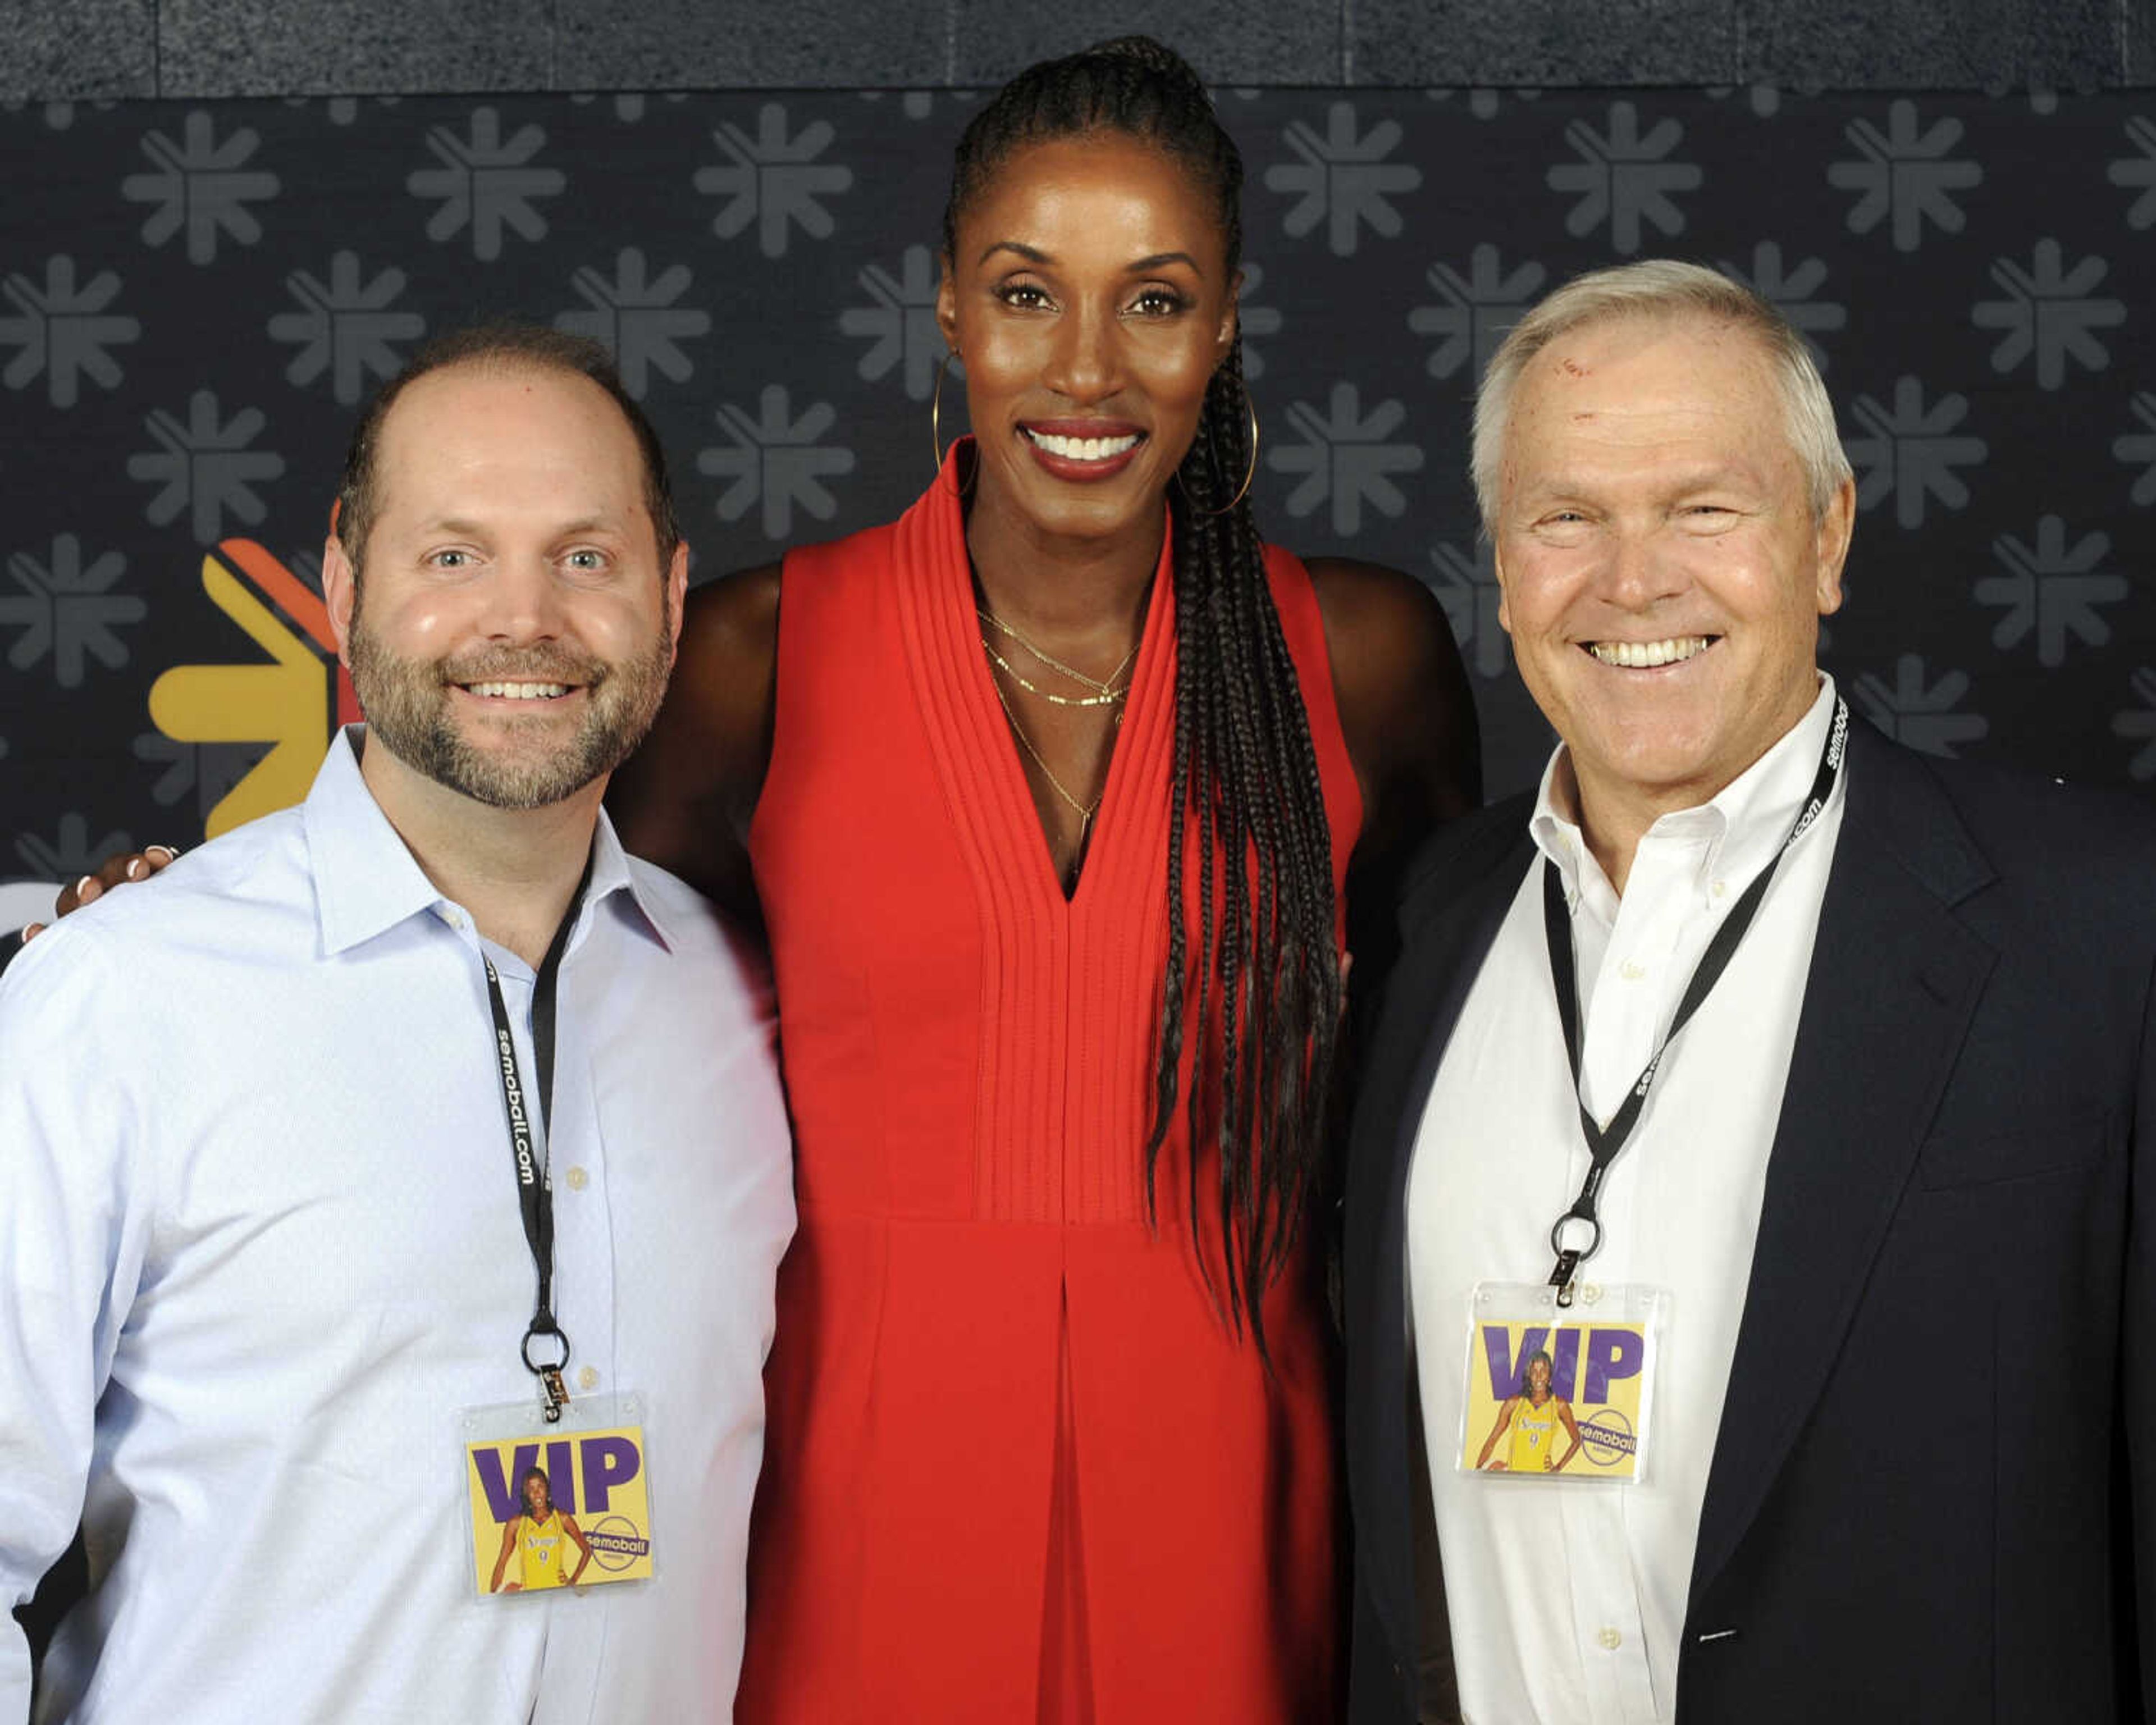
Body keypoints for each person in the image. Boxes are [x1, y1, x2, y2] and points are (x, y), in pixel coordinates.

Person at [607, 37, 1478, 1721]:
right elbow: (552, 985)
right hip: (857, 1482)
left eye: (1152, 303)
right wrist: (177, 915)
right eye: (1026, 293)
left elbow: (1463, 1036)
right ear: (945, 305)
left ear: (1221, 322)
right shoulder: (755, 655)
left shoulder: (1355, 653)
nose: (1085, 371)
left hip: (1231, 1467)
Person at [1341, 259, 2156, 1722]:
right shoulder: (1412, 921)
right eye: (1567, 516)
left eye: (1703, 508)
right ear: (1502, 561)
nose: (1633, 579)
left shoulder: (2105, 926)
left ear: (1829, 536)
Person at [0, 325, 795, 1723]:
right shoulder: (118, 1001)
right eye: (451, 555)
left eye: (586, 556)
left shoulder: (743, 998)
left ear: (672, 595)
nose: (523, 617)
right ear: (341, 583)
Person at [1474, 1351, 1581, 1475]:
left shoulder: (1559, 1406)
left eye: (1543, 1371)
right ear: (1529, 1375)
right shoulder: (1514, 1404)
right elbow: (1492, 1441)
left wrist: (1558, 1468)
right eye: (1534, 1371)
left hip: (1542, 1479)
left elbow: (1576, 1440)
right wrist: (1478, 1472)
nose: (1539, 1376)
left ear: (1550, 1375)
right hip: (1514, 1478)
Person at [491, 1468, 593, 1593]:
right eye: (531, 1489)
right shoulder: (516, 1524)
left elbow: (587, 1551)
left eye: (540, 1486)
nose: (537, 1493)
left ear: (547, 1489)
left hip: (558, 1593)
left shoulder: (562, 1519)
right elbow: (501, 1563)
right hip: (531, 1596)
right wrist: (495, 1594)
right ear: (526, 1494)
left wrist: (572, 1581)